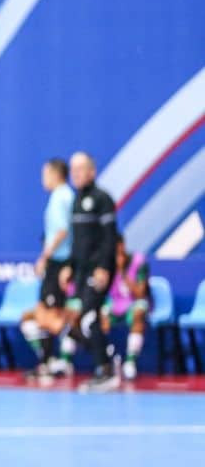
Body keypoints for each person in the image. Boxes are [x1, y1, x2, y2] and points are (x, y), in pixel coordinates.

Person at [69, 151, 120, 391]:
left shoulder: (102, 199)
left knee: (89, 319)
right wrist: (68, 268)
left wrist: (102, 267)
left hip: (98, 270)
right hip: (80, 272)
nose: (75, 174)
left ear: (92, 172)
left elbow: (110, 237)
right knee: (79, 324)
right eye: (73, 170)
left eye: (80, 169)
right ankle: (107, 357)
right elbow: (78, 241)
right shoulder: (76, 200)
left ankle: (107, 371)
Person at [21, 157, 74, 380]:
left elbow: (62, 231)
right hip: (58, 262)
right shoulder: (61, 196)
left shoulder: (61, 197)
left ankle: (73, 339)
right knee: (41, 313)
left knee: (49, 317)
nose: (43, 178)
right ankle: (48, 362)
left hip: (59, 262)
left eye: (45, 173)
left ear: (55, 174)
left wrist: (45, 256)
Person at [110, 236, 151, 381]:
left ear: (122, 245)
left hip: (136, 302)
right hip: (115, 304)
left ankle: (130, 362)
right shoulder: (106, 263)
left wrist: (121, 271)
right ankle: (108, 360)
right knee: (95, 316)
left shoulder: (139, 262)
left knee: (138, 313)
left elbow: (140, 293)